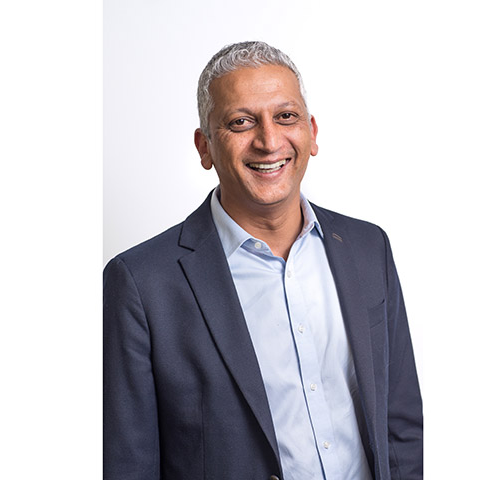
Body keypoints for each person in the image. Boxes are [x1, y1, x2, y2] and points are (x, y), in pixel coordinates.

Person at [104, 41, 423, 480]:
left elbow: (400, 422)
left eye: (286, 116)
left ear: (311, 131)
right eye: (241, 122)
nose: (269, 141)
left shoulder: (368, 248)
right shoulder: (141, 284)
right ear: (205, 147)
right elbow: (128, 462)